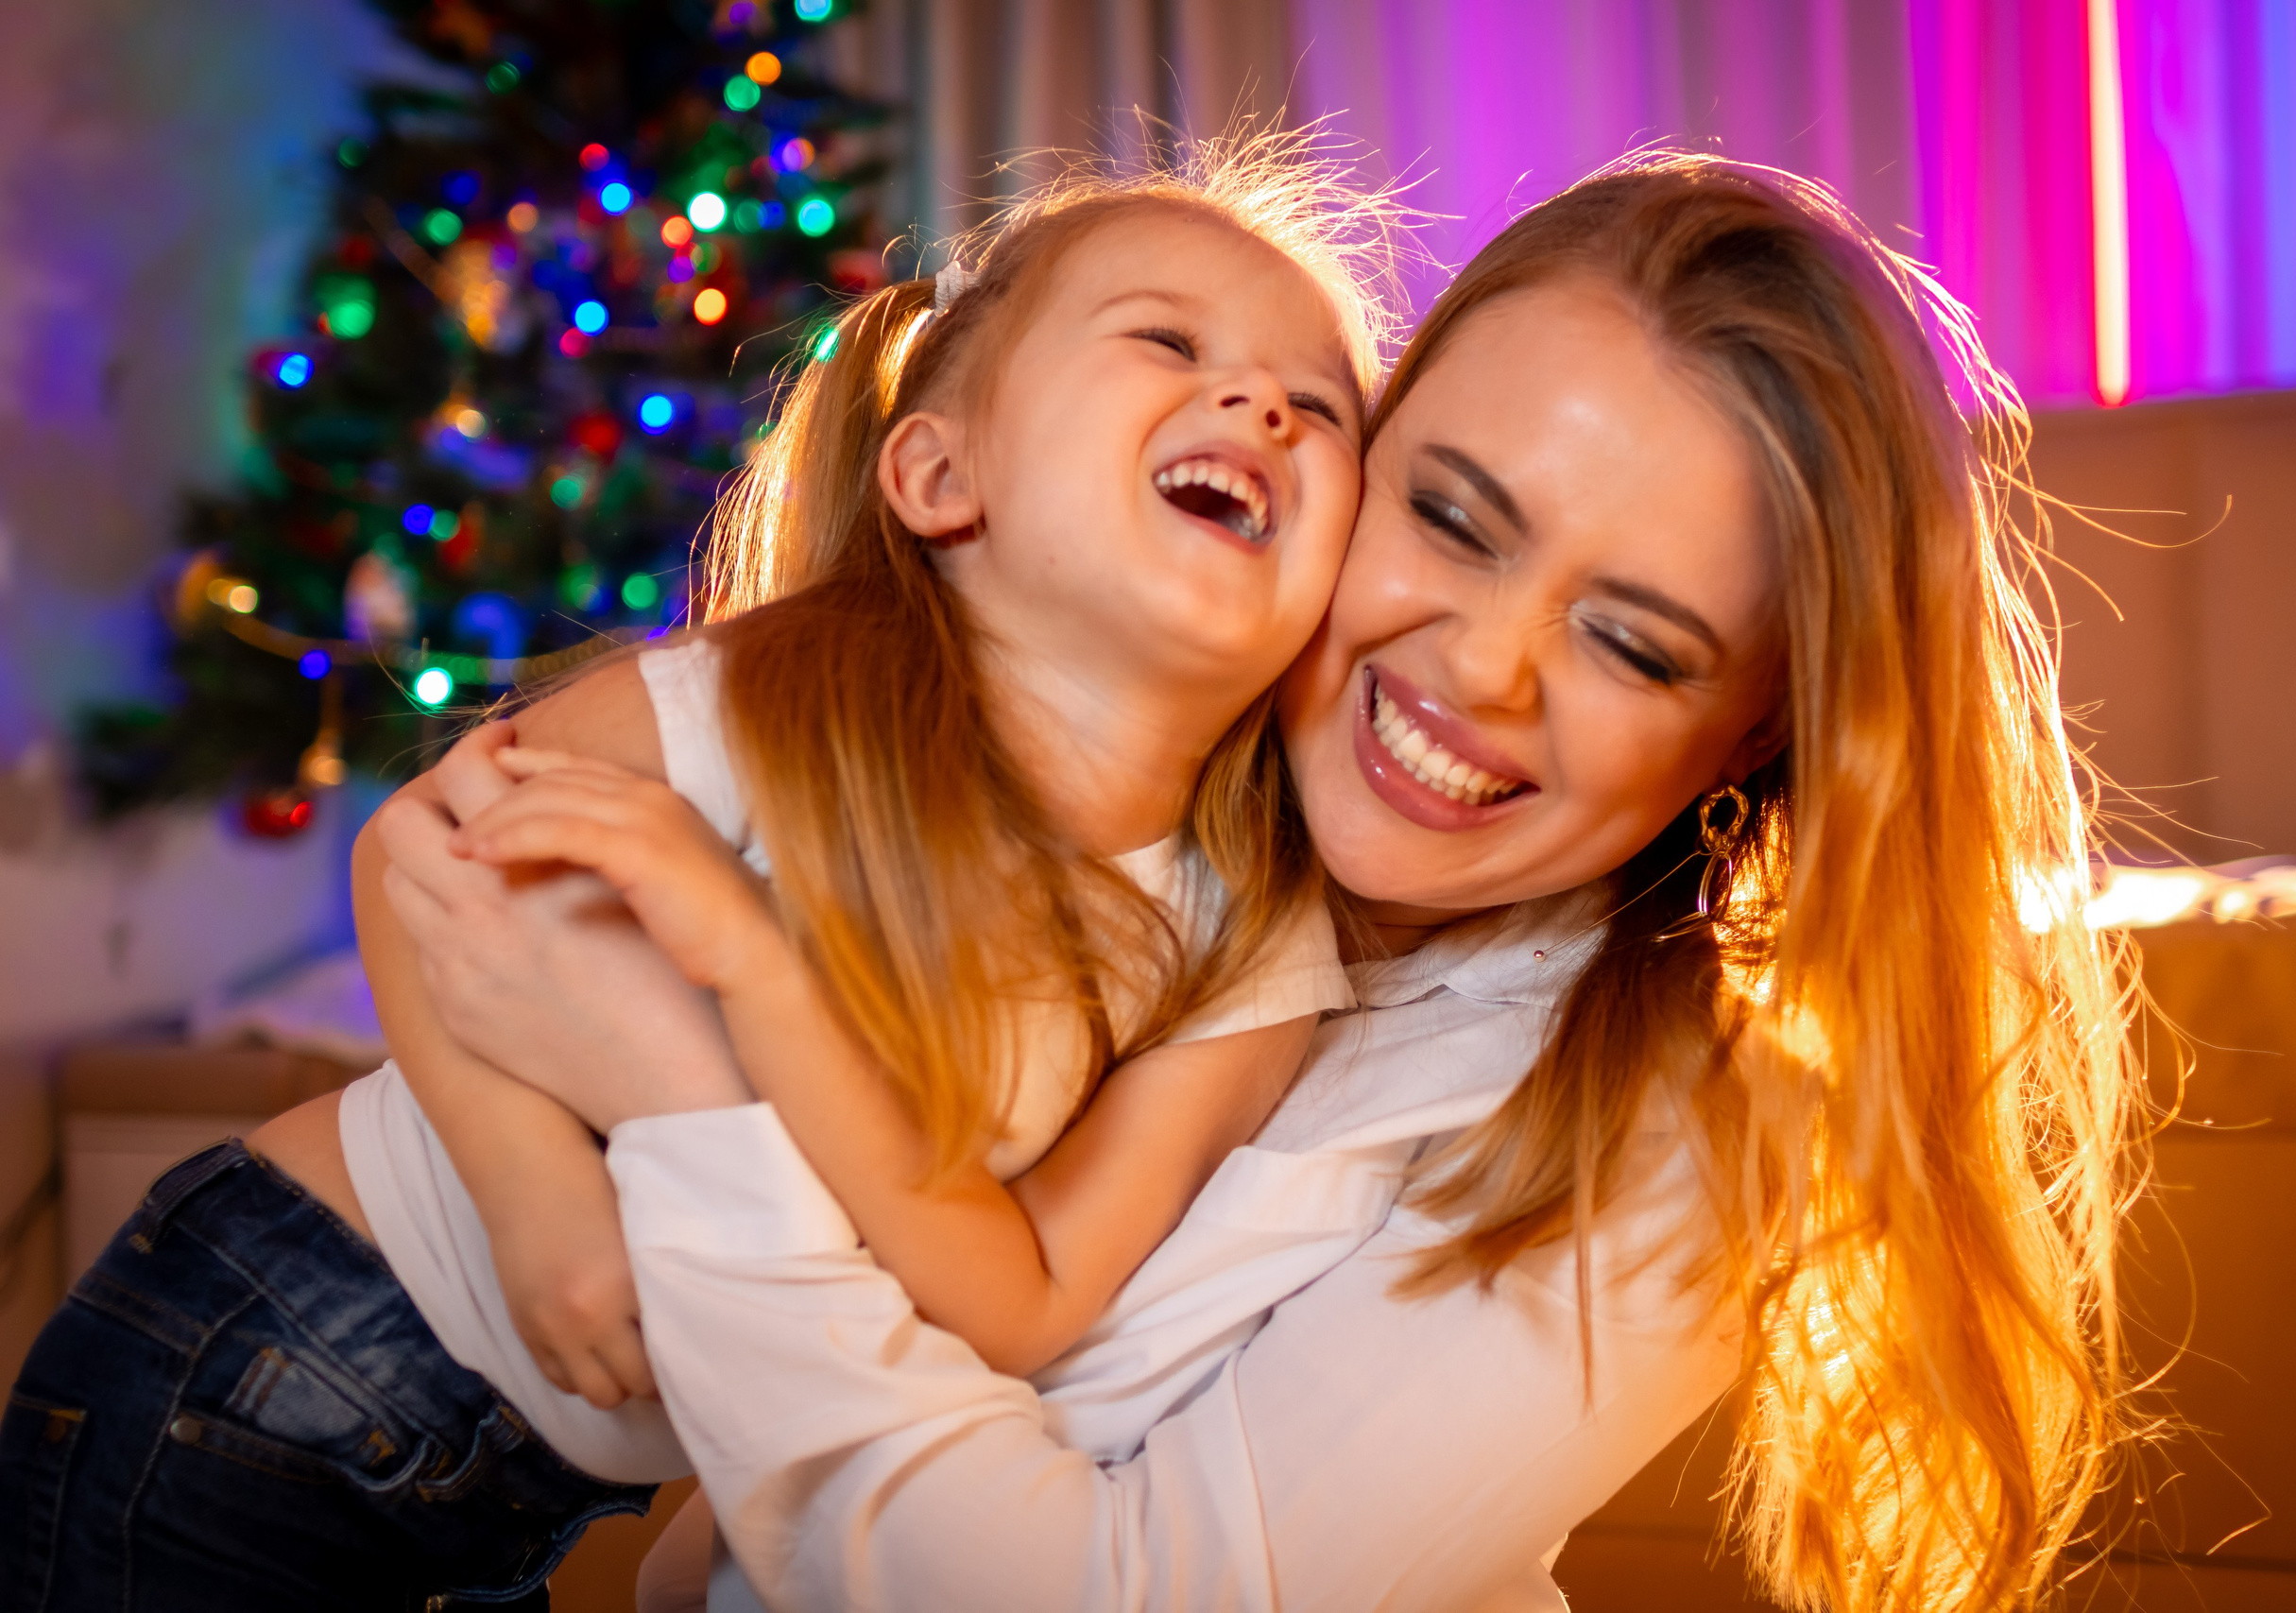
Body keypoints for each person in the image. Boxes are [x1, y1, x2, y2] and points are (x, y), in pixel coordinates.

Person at [386, 150, 2143, 1613]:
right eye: (1450, 517)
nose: (1486, 671)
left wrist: (689, 1096)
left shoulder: (1693, 1132)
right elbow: (440, 850)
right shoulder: (1113, 802)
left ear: (1759, 737)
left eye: (1631, 644)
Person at [0, 133, 1399, 1609]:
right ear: (942, 475)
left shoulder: (1249, 945)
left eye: (1321, 408)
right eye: (1168, 341)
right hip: (260, 1342)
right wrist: (534, 1191)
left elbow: (1028, 1297)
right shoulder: (774, 700)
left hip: (512, 1502)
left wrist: (752, 962)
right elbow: (420, 859)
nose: (1263, 404)